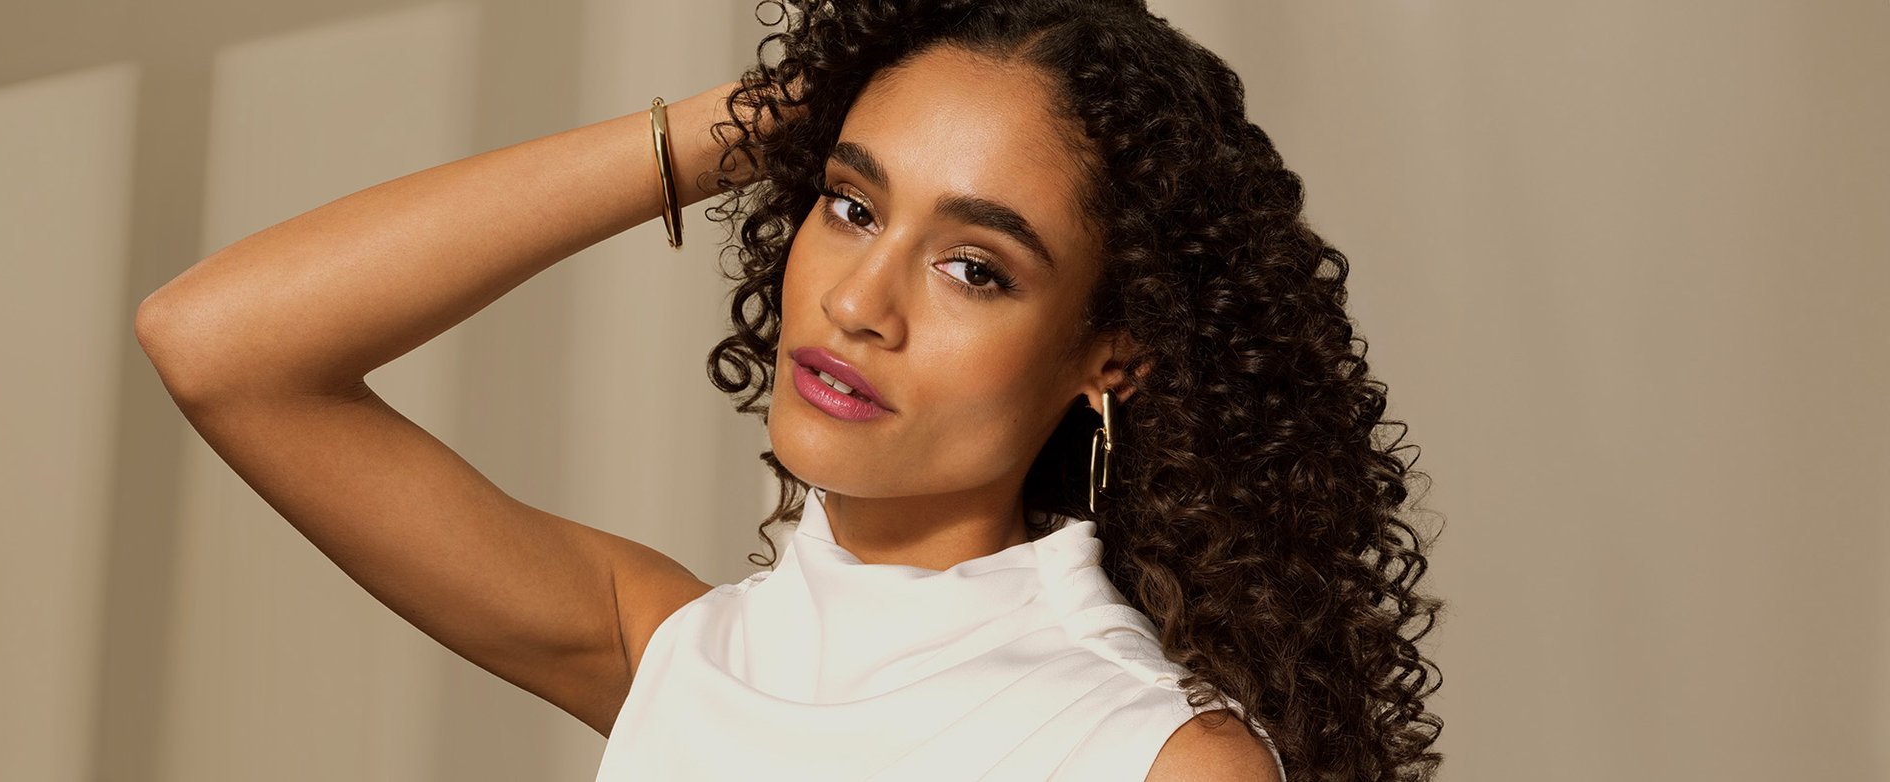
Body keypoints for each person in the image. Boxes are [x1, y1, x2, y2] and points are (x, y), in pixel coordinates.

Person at [135, 0, 1445, 779]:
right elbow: (219, 342)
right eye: (850, 199)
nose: (861, 301)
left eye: (976, 267)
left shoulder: (1153, 755)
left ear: (1116, 351)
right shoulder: (678, 655)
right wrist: (766, 116)